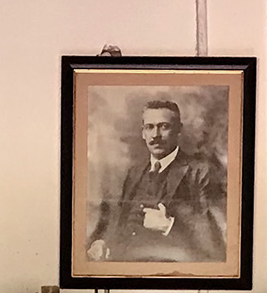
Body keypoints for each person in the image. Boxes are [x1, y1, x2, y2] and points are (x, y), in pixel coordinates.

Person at [86, 99, 227, 264]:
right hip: (126, 263)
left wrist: (169, 225)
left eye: (164, 126)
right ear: (143, 133)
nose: (155, 135)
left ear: (179, 129)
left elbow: (213, 242)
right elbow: (120, 224)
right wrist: (103, 243)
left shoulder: (201, 172)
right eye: (149, 127)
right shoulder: (134, 172)